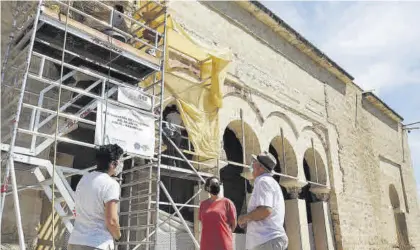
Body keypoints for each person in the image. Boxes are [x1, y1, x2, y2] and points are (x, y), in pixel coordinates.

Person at [68, 144, 124, 250]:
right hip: (97, 242)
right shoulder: (111, 184)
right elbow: (111, 220)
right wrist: (118, 236)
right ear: (113, 163)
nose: (121, 164)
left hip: (75, 241)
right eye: (120, 161)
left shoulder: (84, 179)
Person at [238, 151, 288, 250]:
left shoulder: (264, 181)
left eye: (254, 162)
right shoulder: (267, 182)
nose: (252, 164)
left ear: (260, 167)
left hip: (267, 240)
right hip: (267, 241)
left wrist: (244, 218)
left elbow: (265, 210)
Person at [199, 176, 237, 250]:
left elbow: (234, 224)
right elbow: (203, 223)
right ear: (207, 188)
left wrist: (224, 234)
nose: (215, 185)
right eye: (213, 183)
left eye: (217, 183)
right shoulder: (203, 204)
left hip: (223, 244)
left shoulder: (227, 203)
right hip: (206, 245)